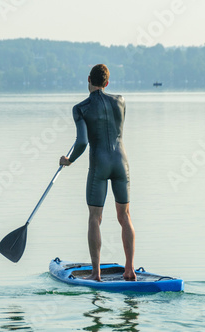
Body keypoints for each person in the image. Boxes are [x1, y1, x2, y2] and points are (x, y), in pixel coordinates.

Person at [59, 64, 136, 281]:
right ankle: (129, 270)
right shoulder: (120, 101)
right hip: (122, 163)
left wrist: (69, 160)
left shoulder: (80, 108)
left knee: (95, 218)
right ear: (107, 83)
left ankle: (96, 273)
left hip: (99, 164)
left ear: (88, 79)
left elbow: (82, 142)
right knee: (125, 216)